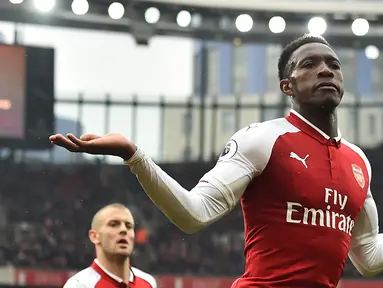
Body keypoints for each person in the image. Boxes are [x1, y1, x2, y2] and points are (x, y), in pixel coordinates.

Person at [51, 34, 383, 287]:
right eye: (310, 65)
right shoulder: (262, 139)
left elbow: (367, 257)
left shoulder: (358, 162)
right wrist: (133, 154)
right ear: (287, 86)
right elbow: (194, 214)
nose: (325, 70)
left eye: (334, 65)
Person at [63, 203, 156, 288]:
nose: (124, 230)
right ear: (94, 236)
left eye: (129, 226)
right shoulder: (79, 285)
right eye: (113, 224)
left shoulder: (148, 282)